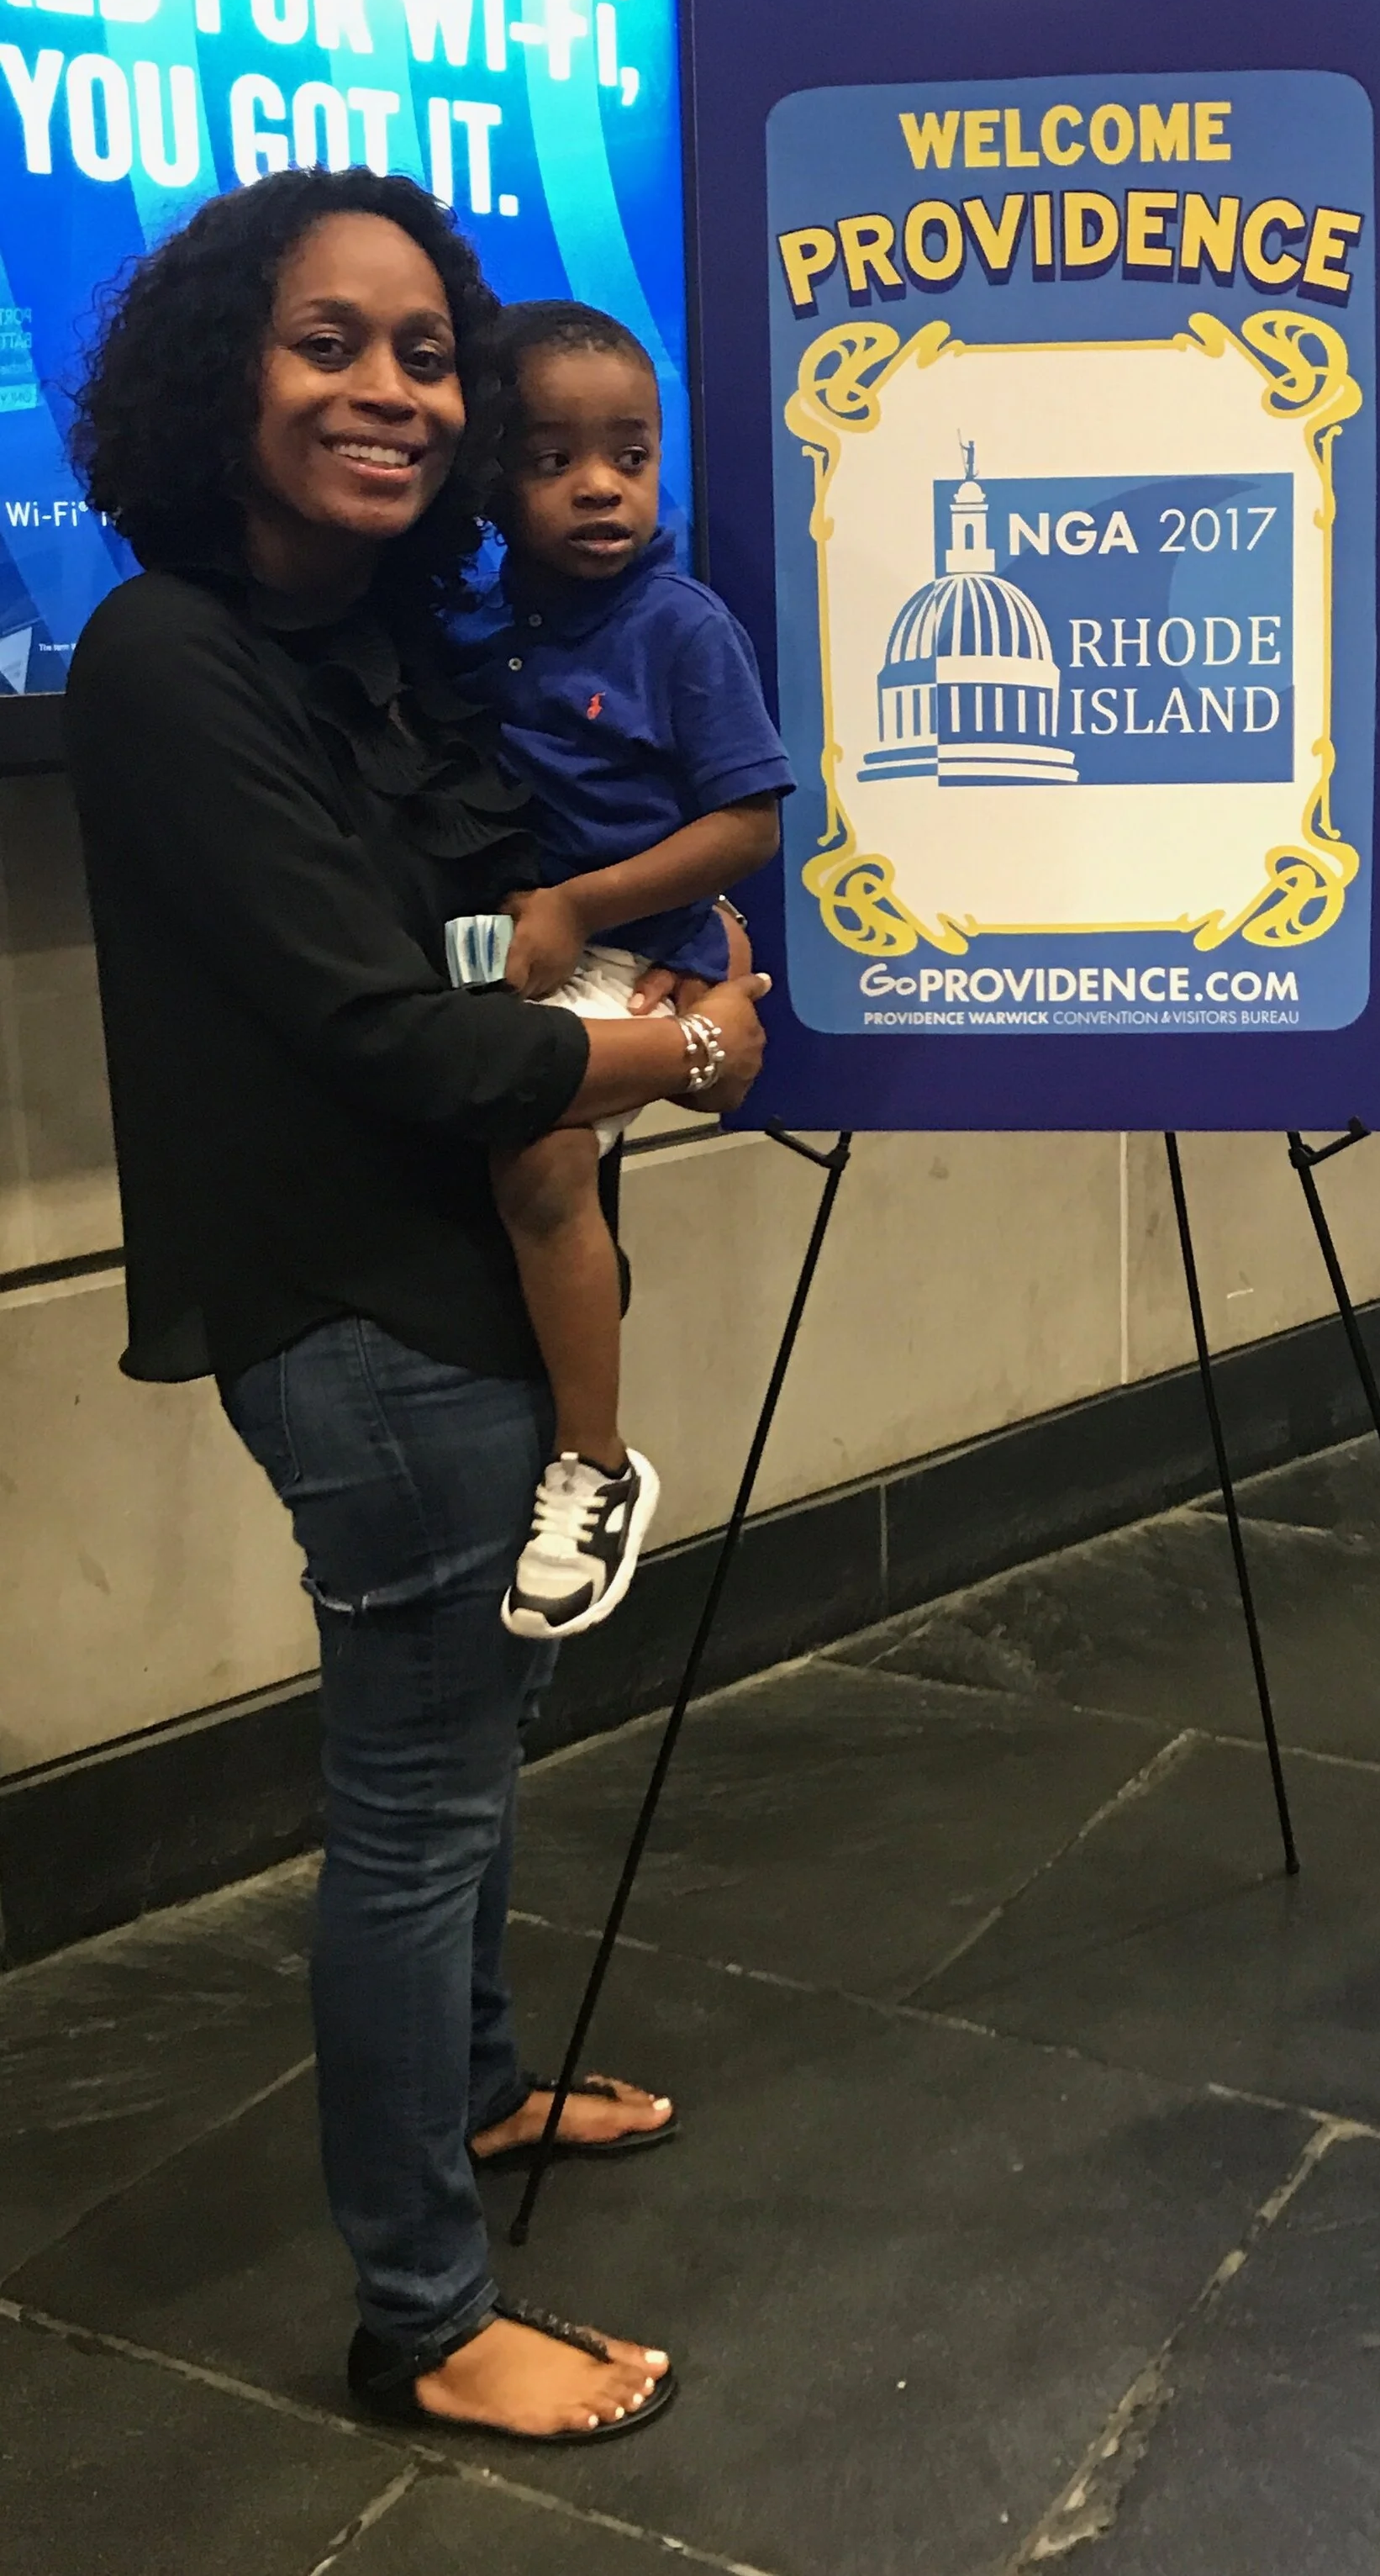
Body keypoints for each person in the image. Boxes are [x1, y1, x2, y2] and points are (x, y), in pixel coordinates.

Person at [63, 166, 770, 2442]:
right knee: (416, 1805)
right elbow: (394, 1031)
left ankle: (467, 2098)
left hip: (473, 1253)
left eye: (422, 351)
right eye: (324, 341)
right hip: (361, 1309)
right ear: (215, 377)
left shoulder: (380, 646)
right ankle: (425, 2312)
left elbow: (497, 919)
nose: (388, 387)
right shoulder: (168, 658)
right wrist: (657, 1048)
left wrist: (606, 979)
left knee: (465, 1767)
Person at [449, 300, 791, 1644]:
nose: (600, 486)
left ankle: (592, 1466)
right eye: (551, 460)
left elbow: (750, 824)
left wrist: (584, 905)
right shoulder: (476, 630)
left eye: (631, 455)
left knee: (540, 1158)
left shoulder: (682, 629)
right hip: (517, 949)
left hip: (636, 951)